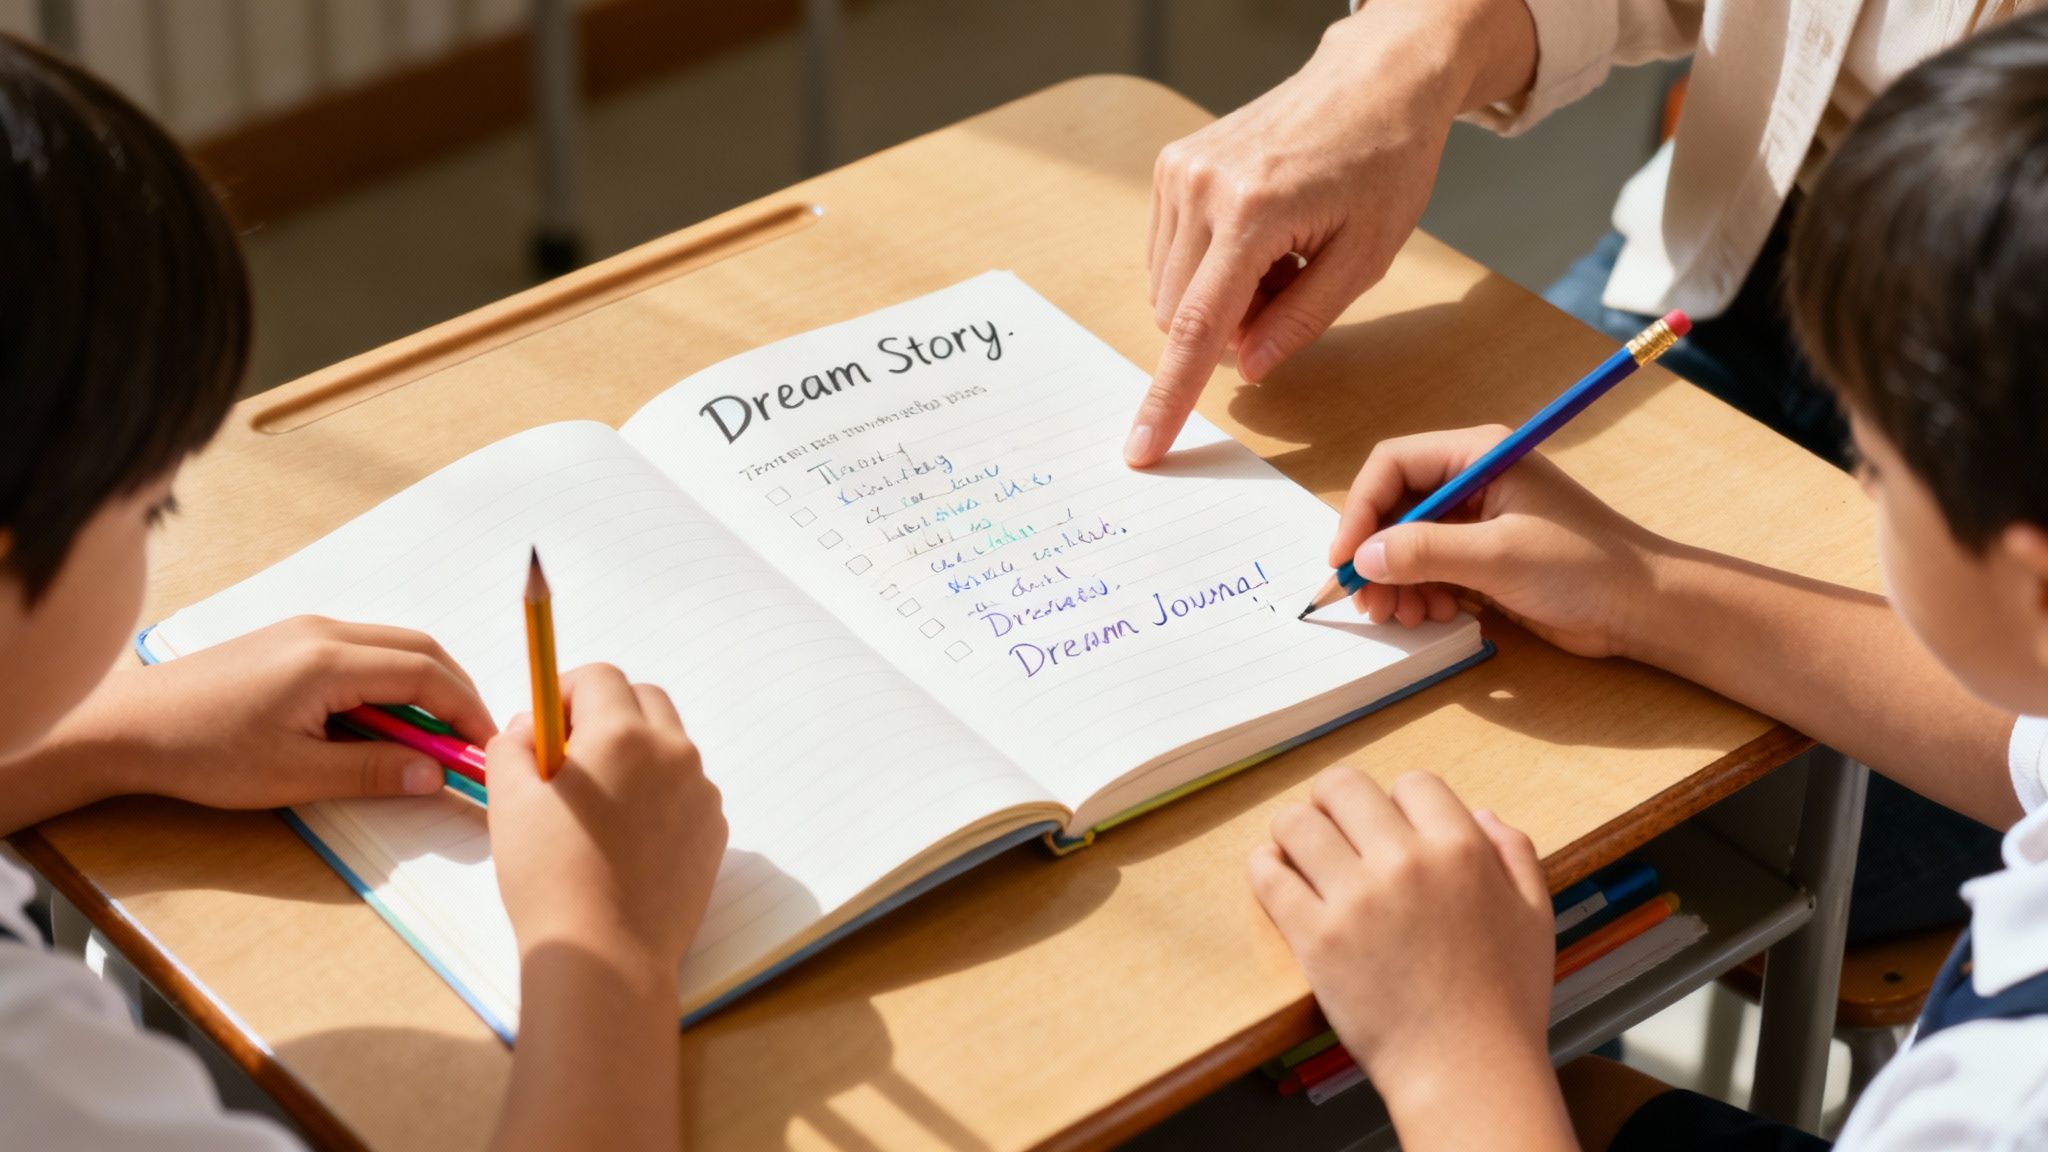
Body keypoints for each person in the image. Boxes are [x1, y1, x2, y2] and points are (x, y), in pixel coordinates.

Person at [1247, 15, 2048, 1149]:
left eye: (1869, 465)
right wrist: (1641, 587)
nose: (1850, 480)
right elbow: (2025, 743)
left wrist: (1455, 1056)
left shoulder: (1987, 1109)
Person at [0, 35, 726, 1151]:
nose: (157, 527)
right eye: (151, 508)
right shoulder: (38, 1080)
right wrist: (608, 943)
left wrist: (121, 733)